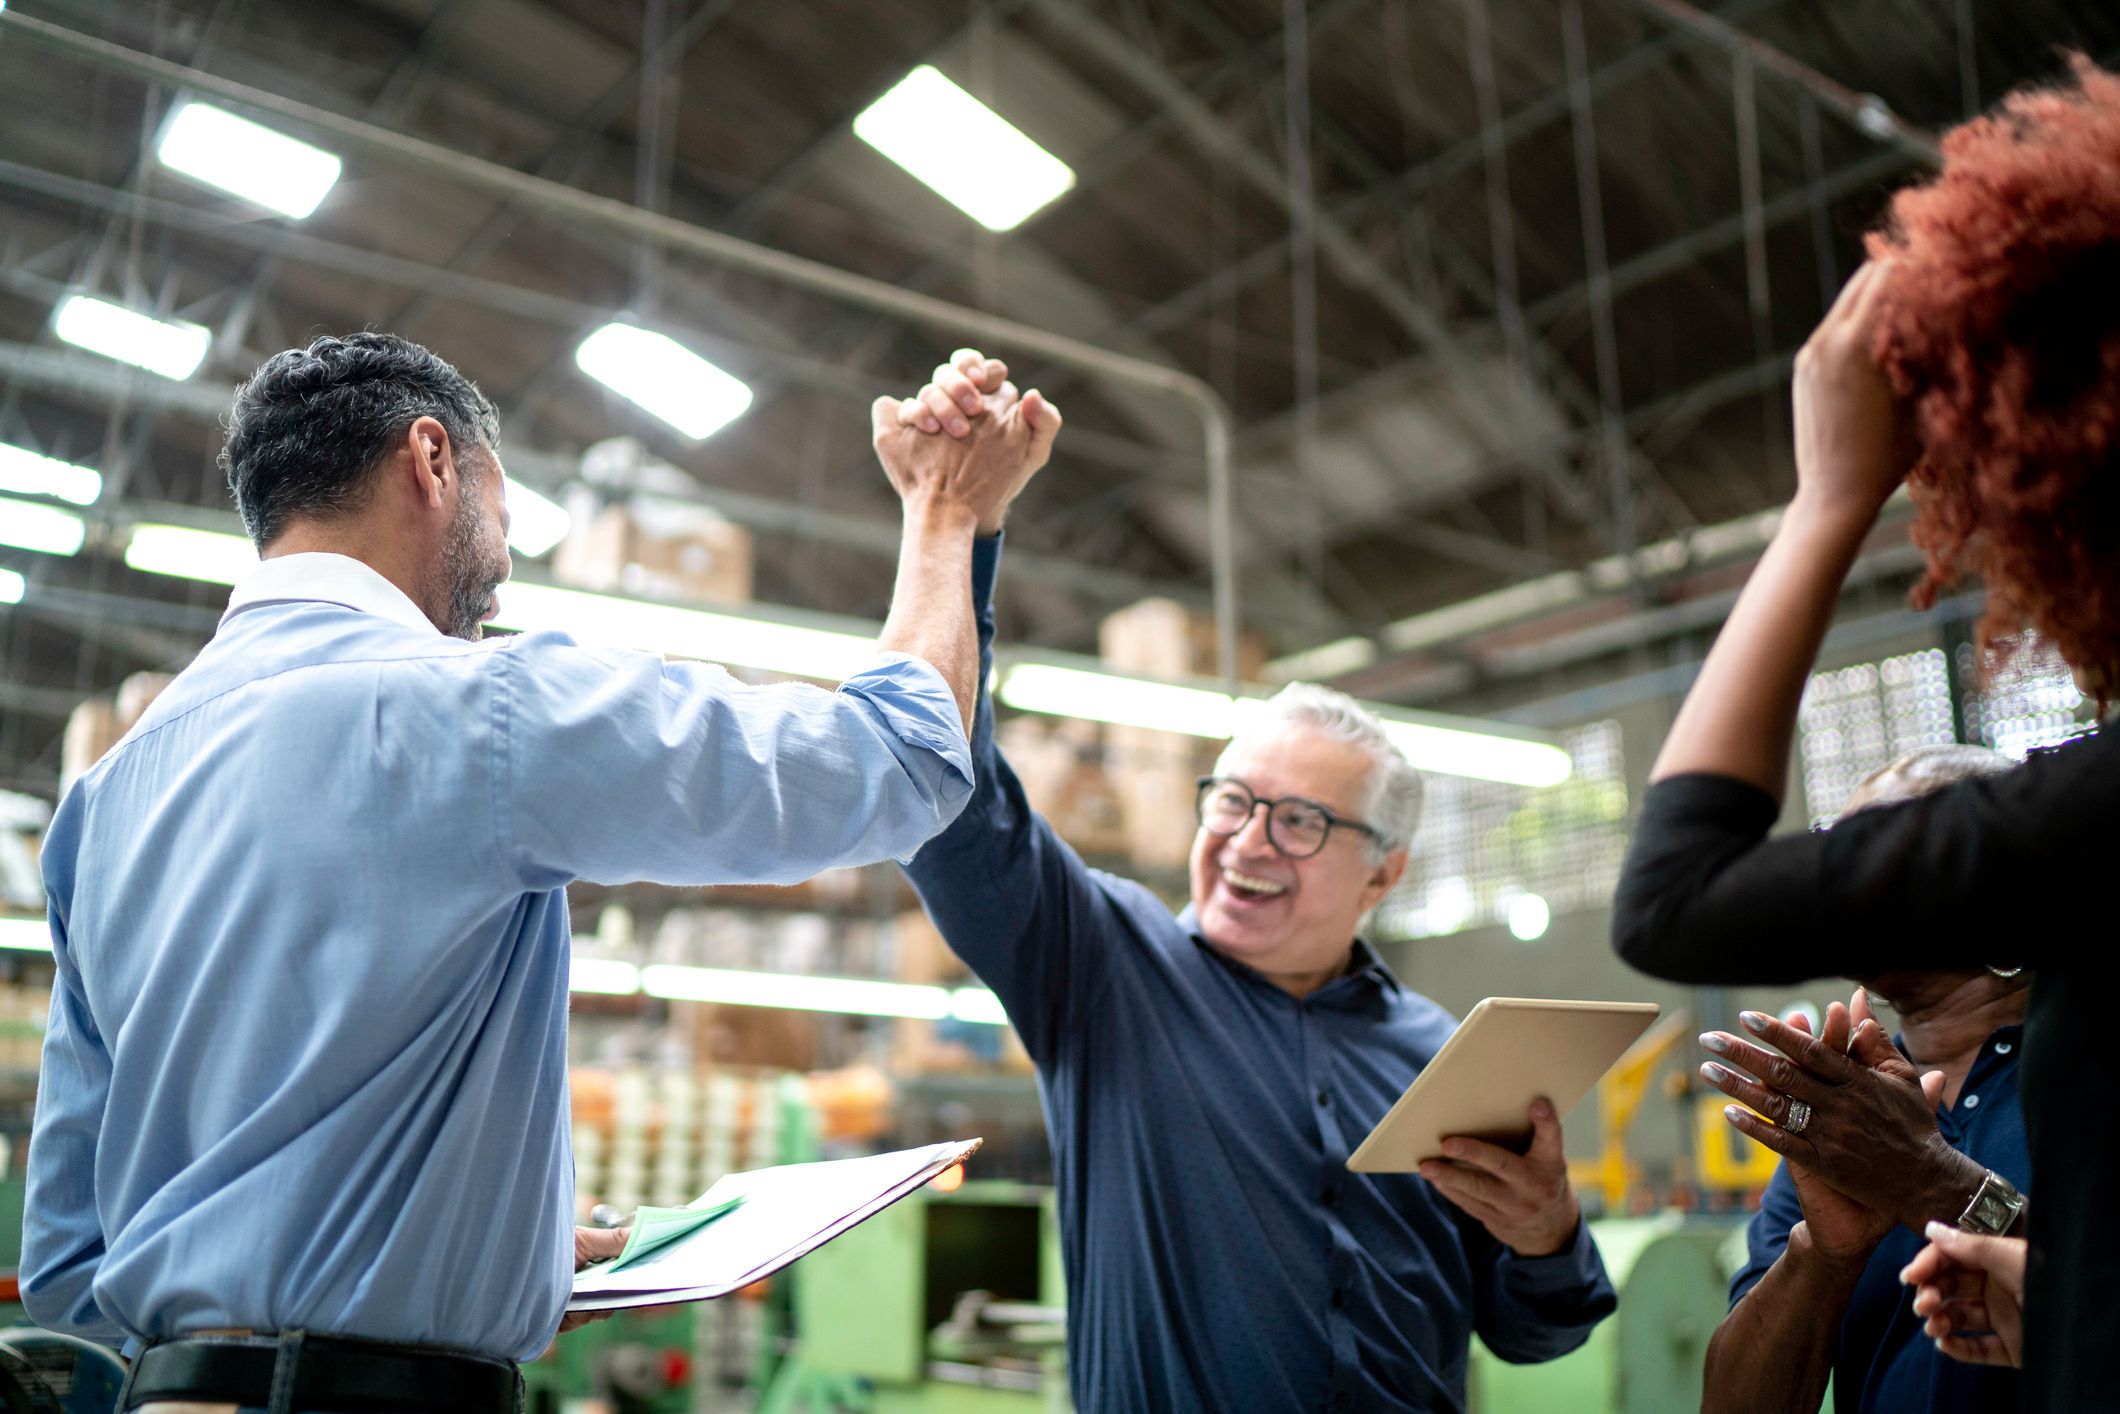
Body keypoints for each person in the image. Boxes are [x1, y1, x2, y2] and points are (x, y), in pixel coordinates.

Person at [23, 334, 1058, 1410]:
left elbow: (66, 1260)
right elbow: (899, 762)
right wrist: (946, 512)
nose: (500, 569)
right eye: (502, 515)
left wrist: (465, 1256)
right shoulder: (481, 709)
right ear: (432, 460)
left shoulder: (105, 801)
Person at [892, 355, 1614, 1413]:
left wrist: (1546, 1234)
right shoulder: (1101, 971)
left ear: (1384, 873)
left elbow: (1536, 1337)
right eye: (1229, 799)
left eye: (1301, 820)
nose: (1245, 841)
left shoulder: (1442, 1061)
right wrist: (957, 522)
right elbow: (948, 800)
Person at [1610, 56, 2120, 1413]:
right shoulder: (1861, 1099)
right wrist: (1835, 1243)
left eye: (1907, 835)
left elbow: (1676, 895)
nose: (1843, 852)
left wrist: (1831, 496)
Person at [1700, 746, 2030, 1414]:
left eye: (1886, 844)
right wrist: (1823, 1256)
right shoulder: (1848, 1115)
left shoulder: (2092, 1068)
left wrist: (1927, 1180)